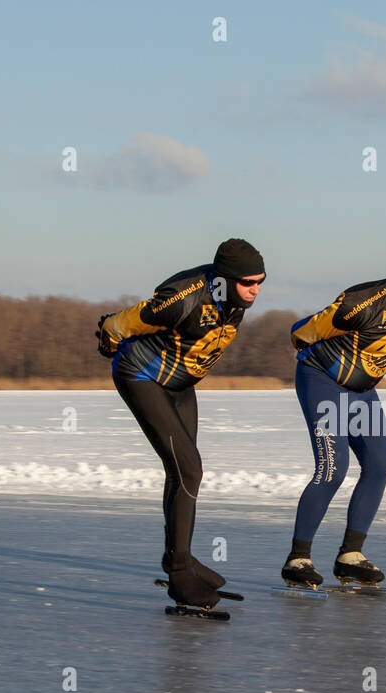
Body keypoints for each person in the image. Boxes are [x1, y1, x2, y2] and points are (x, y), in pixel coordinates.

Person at [96, 238, 265, 609]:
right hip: (142, 376)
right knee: (189, 468)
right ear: (225, 278)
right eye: (248, 282)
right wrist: (109, 337)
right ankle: (179, 572)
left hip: (181, 385)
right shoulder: (184, 297)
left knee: (184, 472)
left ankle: (182, 558)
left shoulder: (233, 298)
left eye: (260, 282)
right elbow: (120, 322)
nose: (256, 290)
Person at [281, 243, 386, 589]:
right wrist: (314, 351)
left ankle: (350, 556)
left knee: (381, 464)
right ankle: (298, 558)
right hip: (322, 381)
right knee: (333, 469)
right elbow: (302, 331)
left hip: (361, 391)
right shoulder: (362, 301)